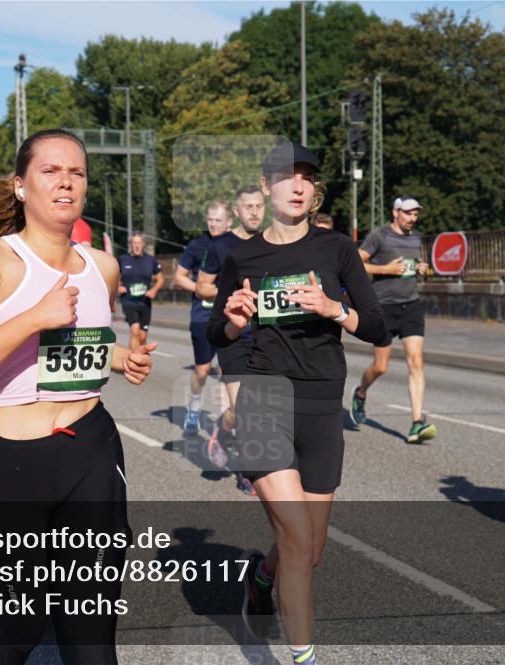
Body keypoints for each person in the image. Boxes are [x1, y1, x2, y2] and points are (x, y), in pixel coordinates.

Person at [0, 128, 156, 664]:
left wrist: (119, 358)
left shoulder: (101, 267)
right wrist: (33, 319)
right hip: (13, 461)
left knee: (92, 639)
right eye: (50, 171)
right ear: (20, 185)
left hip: (92, 451)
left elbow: (85, 345)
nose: (65, 182)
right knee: (21, 626)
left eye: (76, 172)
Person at [207, 141, 386, 664]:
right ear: (266, 187)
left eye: (307, 177)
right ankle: (303, 658)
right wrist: (234, 322)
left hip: (322, 404)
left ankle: (261, 580)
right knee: (297, 535)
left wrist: (337, 309)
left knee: (309, 551)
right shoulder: (241, 255)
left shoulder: (337, 250)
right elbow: (220, 332)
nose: (299, 186)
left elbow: (377, 327)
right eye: (287, 177)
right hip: (264, 399)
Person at [350, 197, 437, 444]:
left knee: (416, 362)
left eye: (416, 214)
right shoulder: (379, 236)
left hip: (411, 305)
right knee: (381, 367)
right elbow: (355, 262)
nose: (412, 218)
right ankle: (361, 391)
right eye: (408, 213)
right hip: (383, 308)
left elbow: (411, 266)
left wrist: (420, 268)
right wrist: (385, 270)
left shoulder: (415, 237)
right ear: (395, 212)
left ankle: (416, 423)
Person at [195, 185, 265, 490]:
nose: (254, 212)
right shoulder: (222, 245)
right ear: (237, 211)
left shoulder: (272, 241)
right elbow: (202, 286)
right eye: (248, 206)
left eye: (259, 206)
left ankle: (240, 454)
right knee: (242, 408)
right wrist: (231, 295)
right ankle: (239, 458)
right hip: (233, 333)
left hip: (267, 334)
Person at [174, 200, 230, 435]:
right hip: (203, 316)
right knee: (203, 370)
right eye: (210, 220)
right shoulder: (198, 245)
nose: (213, 224)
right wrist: (201, 288)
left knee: (228, 370)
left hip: (230, 316)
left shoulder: (238, 245)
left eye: (218, 220)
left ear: (229, 222)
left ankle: (227, 416)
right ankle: (195, 406)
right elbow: (179, 277)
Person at [117, 232, 163, 350]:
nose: (137, 246)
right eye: (134, 243)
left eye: (139, 243)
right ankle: (131, 362)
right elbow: (112, 274)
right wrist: (118, 286)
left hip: (145, 302)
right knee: (135, 330)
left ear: (143, 244)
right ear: (130, 245)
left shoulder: (150, 260)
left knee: (142, 337)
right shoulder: (123, 259)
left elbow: (160, 279)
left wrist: (154, 290)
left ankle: (140, 360)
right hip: (128, 301)